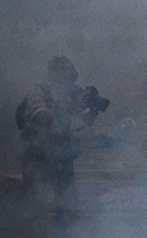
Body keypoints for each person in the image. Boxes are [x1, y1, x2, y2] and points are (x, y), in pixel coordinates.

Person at [17, 56, 108, 220]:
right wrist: (70, 105)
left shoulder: (74, 91)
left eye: (68, 70)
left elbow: (86, 120)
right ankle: (29, 237)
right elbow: (41, 117)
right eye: (61, 70)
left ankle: (66, 236)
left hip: (62, 151)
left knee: (67, 203)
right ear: (51, 73)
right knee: (34, 202)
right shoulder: (39, 91)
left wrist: (92, 110)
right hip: (37, 153)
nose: (66, 74)